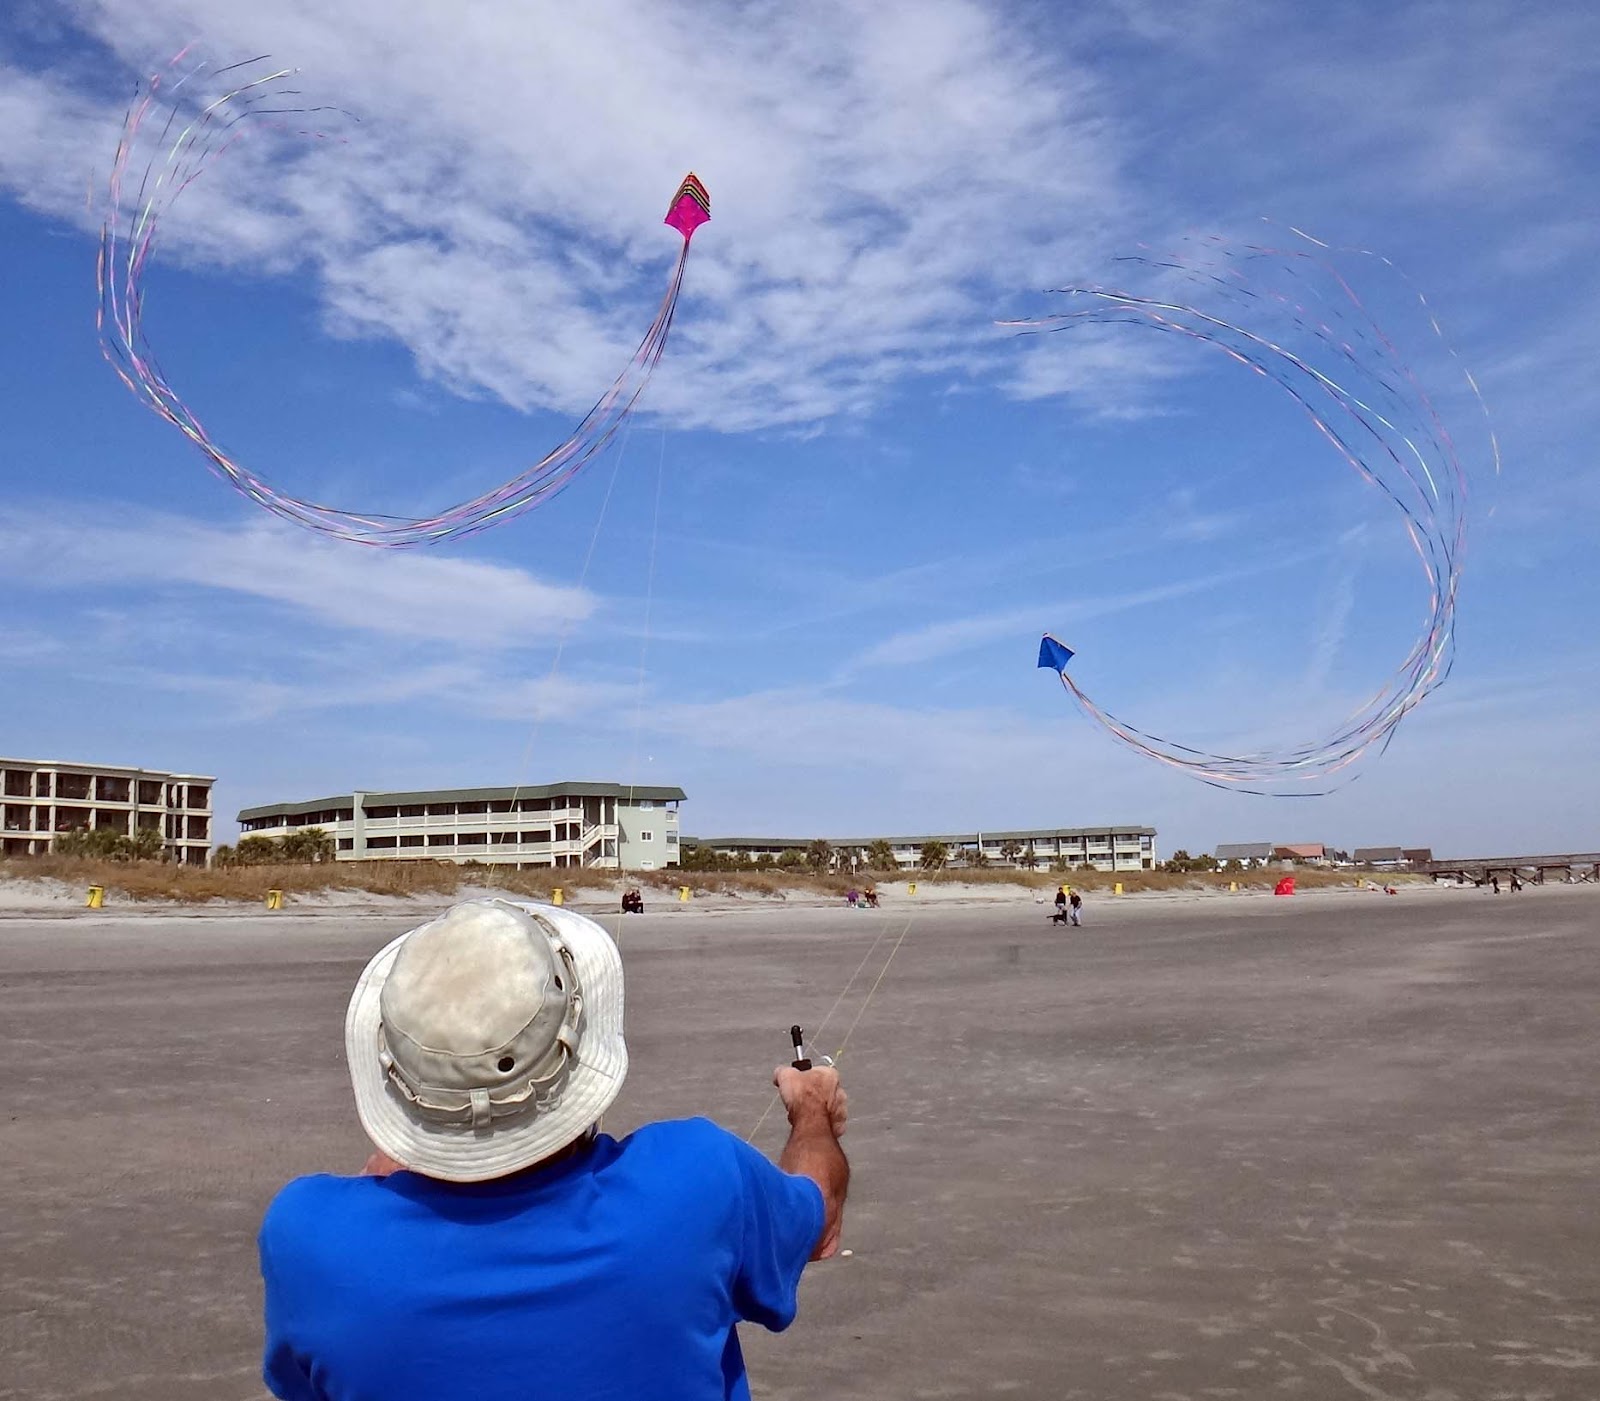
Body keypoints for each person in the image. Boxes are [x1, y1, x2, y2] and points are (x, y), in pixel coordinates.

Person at [259, 898, 849, 1401]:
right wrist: (811, 1110)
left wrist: (407, 1176)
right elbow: (818, 1218)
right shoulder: (699, 1177)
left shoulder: (308, 1238)